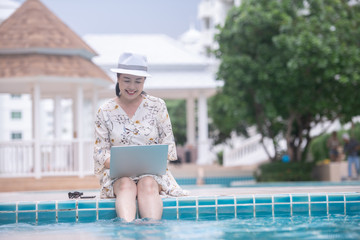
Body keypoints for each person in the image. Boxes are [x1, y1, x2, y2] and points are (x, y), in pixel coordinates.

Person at [93, 52, 188, 222]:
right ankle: (126, 231)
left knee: (148, 183)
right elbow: (100, 153)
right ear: (118, 78)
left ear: (144, 82)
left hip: (152, 174)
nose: (132, 86)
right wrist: (121, 163)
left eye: (138, 81)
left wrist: (150, 161)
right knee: (126, 185)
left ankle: (151, 233)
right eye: (127, 80)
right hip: (118, 176)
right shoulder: (105, 111)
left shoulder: (157, 106)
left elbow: (167, 144)